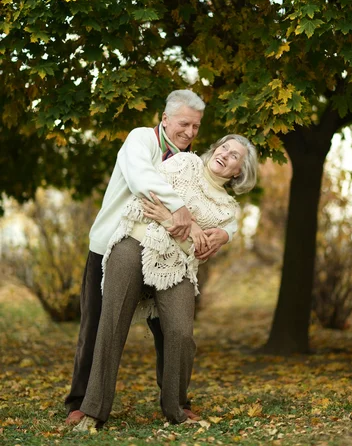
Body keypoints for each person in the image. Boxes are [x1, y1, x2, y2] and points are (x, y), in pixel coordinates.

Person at [65, 90, 236, 424]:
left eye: (196, 127)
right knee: (98, 325)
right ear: (165, 118)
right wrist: (178, 208)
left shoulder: (194, 163)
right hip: (112, 245)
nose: (189, 132)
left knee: (172, 332)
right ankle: (80, 401)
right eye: (184, 124)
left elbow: (219, 203)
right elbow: (140, 177)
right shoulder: (141, 140)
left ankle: (176, 402)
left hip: (166, 257)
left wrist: (227, 233)